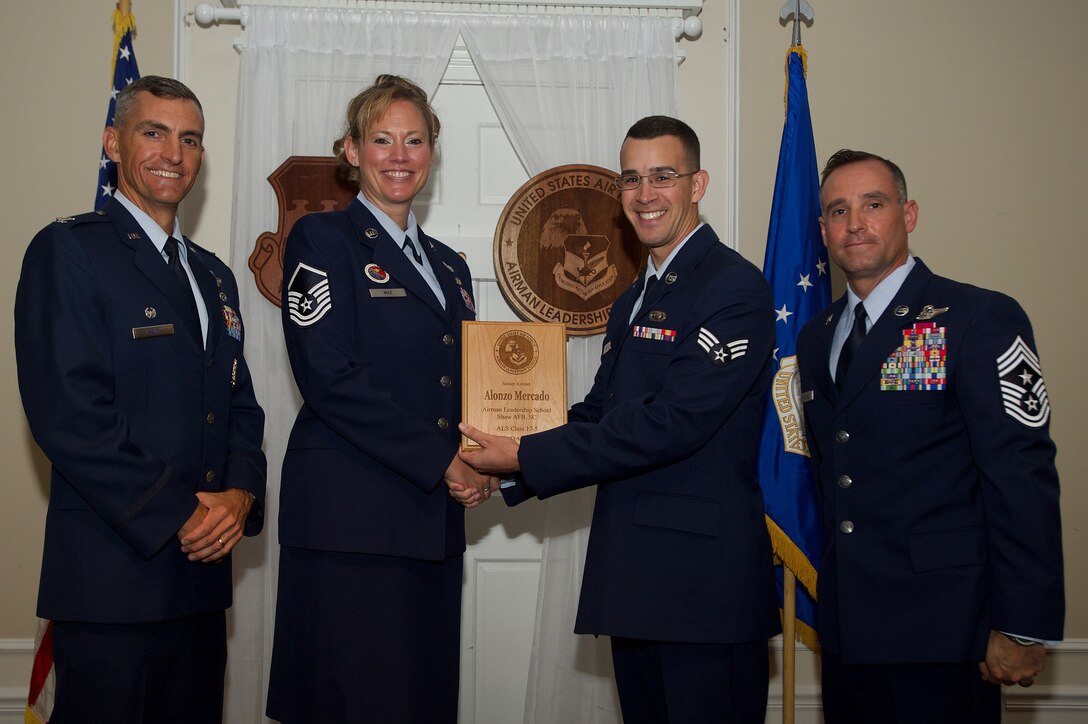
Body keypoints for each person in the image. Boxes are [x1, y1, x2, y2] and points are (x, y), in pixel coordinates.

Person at [458, 115, 780, 724]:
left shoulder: (733, 288)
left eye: (663, 175)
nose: (645, 193)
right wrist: (503, 465)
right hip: (637, 580)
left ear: (698, 183)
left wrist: (524, 457)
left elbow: (673, 423)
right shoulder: (635, 297)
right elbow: (600, 414)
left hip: (703, 590)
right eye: (631, 179)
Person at [14, 76, 267, 724]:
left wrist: (239, 497)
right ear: (113, 141)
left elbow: (240, 407)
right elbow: (68, 413)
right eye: (153, 132)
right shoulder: (69, 249)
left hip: (202, 585)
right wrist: (181, 514)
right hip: (110, 586)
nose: (172, 153)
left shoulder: (214, 274)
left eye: (189, 139)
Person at [796, 149, 1064, 723]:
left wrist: (1020, 623)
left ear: (908, 214)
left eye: (874, 204)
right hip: (849, 632)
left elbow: (1021, 475)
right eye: (838, 211)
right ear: (823, 230)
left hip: (947, 631)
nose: (855, 223)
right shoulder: (815, 338)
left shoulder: (975, 318)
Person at [266, 75, 496, 724]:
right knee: (350, 705)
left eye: (415, 140)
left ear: (433, 151)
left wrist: (488, 454)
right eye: (382, 139)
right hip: (352, 524)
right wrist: (444, 457)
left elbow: (460, 381)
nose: (400, 155)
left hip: (431, 522)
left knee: (419, 704)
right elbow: (330, 377)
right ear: (351, 150)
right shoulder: (322, 241)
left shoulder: (449, 266)